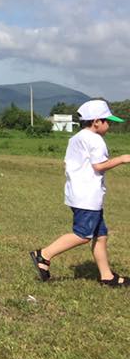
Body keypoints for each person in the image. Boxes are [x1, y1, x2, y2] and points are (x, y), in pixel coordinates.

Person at [30, 99, 130, 286]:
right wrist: (123, 159)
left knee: (101, 236)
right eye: (108, 121)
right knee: (83, 235)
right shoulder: (95, 140)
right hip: (87, 196)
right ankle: (44, 255)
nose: (110, 125)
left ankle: (106, 276)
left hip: (78, 193)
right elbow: (99, 166)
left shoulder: (77, 137)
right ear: (96, 122)